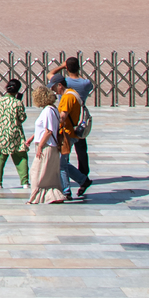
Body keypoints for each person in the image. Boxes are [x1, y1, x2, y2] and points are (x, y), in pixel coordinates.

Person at [25, 85, 64, 204]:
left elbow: (48, 131)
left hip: (47, 146)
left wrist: (40, 146)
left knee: (36, 173)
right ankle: (53, 197)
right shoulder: (51, 109)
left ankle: (35, 198)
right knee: (47, 175)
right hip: (48, 145)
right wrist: (32, 138)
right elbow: (41, 129)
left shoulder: (48, 111)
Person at [62, 55, 94, 194]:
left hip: (67, 124)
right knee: (81, 152)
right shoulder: (85, 84)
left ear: (67, 68)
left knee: (63, 157)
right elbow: (89, 83)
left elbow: (50, 75)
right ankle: (84, 176)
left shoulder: (64, 82)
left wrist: (62, 67)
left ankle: (68, 186)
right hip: (79, 122)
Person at [0, 78, 27, 187]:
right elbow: (22, 117)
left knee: (0, 157)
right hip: (15, 132)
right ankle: (24, 181)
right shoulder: (17, 103)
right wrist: (19, 102)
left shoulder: (0, 101)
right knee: (21, 156)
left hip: (2, 132)